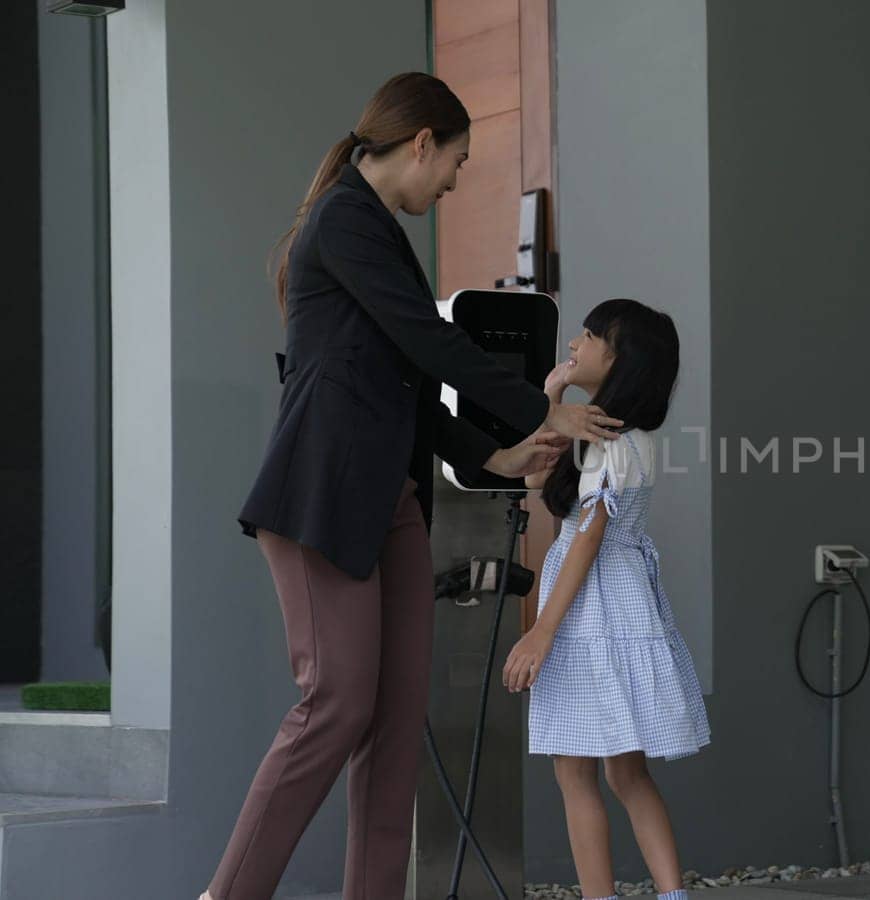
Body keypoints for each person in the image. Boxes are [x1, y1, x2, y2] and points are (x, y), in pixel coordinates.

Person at [203, 72, 621, 900]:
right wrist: (542, 408)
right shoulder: (344, 221)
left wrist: (492, 456)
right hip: (322, 497)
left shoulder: (380, 230)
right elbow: (427, 341)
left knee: (394, 730)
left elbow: (397, 378)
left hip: (391, 501)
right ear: (422, 141)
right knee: (336, 705)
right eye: (458, 161)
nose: (458, 179)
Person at [503, 299, 710, 900]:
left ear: (620, 361)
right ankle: (672, 896)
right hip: (618, 599)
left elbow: (588, 538)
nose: (576, 343)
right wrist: (552, 399)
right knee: (625, 770)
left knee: (577, 771)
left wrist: (541, 631)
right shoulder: (617, 434)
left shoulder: (615, 444)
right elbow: (536, 479)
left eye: (590, 337)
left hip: (590, 604)